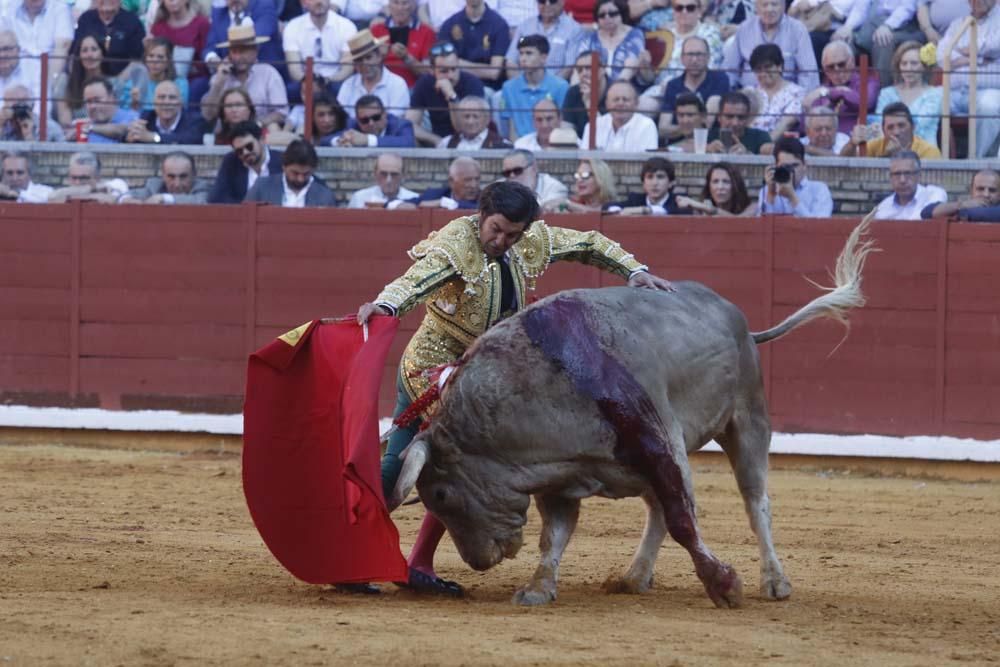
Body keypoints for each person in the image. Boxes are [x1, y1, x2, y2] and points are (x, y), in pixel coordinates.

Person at [355, 179, 675, 596]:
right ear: (481, 215)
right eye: (496, 229)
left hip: (484, 375)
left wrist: (636, 271)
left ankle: (417, 561)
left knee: (454, 467)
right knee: (407, 464)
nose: (502, 241)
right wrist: (386, 305)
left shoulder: (527, 240)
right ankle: (354, 554)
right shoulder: (456, 244)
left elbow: (589, 243)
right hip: (433, 369)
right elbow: (416, 280)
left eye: (513, 234)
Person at [936, 0, 1000, 159]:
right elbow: (942, 56)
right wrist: (978, 59)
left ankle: (976, 162)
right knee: (926, 99)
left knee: (989, 106)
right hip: (954, 92)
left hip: (987, 91)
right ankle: (929, 158)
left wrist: (961, 52)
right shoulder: (957, 24)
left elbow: (995, 45)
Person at [200, 25, 289, 128]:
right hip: (226, 134)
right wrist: (218, 84)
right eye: (234, 52)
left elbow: (281, 113)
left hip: (260, 132)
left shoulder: (268, 73)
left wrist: (256, 125)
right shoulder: (220, 77)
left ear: (255, 51)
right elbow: (208, 116)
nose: (238, 57)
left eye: (243, 51)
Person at [721, 0, 820, 91]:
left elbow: (809, 72)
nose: (769, 9)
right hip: (750, 95)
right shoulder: (744, 28)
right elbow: (729, 69)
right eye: (764, 5)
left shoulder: (797, 29)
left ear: (783, 6)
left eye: (774, 4)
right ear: (756, 7)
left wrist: (802, 98)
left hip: (785, 95)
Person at [406, 42, 485, 147]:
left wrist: (451, 96)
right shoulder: (425, 83)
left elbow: (463, 130)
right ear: (431, 70)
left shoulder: (472, 84)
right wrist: (435, 139)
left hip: (471, 142)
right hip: (438, 140)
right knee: (409, 140)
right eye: (444, 71)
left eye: (454, 69)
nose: (451, 75)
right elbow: (409, 125)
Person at [657, 36, 730, 141]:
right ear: (682, 58)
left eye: (699, 54)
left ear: (708, 57)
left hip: (710, 144)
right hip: (678, 146)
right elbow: (663, 128)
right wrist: (692, 127)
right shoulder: (673, 85)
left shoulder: (719, 79)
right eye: (690, 54)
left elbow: (707, 122)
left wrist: (682, 128)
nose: (694, 60)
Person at [871, 40, 942, 147]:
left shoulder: (935, 93)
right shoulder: (886, 93)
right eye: (904, 64)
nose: (909, 68)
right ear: (899, 67)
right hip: (890, 152)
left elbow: (920, 125)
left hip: (925, 153)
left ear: (924, 66)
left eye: (914, 63)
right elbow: (879, 124)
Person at [803, 39, 880, 136]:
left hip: (857, 144)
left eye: (841, 64)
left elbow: (866, 103)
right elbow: (806, 125)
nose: (837, 70)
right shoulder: (820, 91)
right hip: (824, 143)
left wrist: (836, 93)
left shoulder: (868, 81)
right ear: (824, 70)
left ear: (852, 61)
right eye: (831, 67)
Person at [499, 34, 569, 139]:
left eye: (529, 53)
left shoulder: (561, 87)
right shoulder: (508, 88)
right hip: (520, 146)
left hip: (551, 146)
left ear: (543, 58)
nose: (523, 58)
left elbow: (562, 124)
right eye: (521, 54)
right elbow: (511, 128)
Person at [840, 0, 922, 88]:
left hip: (905, 26)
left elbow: (907, 8)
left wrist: (888, 25)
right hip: (872, 27)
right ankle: (842, 92)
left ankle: (883, 94)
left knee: (883, 40)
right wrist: (848, 27)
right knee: (845, 40)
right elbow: (860, 9)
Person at [283, 0, 357, 94]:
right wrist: (310, 81)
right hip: (305, 80)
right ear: (303, 3)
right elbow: (294, 69)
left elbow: (347, 69)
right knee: (290, 90)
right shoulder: (292, 27)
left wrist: (326, 80)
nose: (319, 2)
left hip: (335, 81)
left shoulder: (347, 26)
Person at [336, 29, 410, 121]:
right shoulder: (348, 85)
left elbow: (394, 121)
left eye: (368, 57)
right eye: (359, 60)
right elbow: (341, 118)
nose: (364, 64)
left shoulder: (397, 84)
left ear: (379, 56)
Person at [437, 0, 510, 89]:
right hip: (456, 86)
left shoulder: (499, 25)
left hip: (487, 88)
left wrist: (459, 64)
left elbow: (494, 72)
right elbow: (444, 66)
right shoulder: (449, 25)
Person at [208, 120, 284, 204]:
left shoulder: (281, 160)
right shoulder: (231, 161)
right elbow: (216, 197)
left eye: (249, 146)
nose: (245, 152)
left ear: (262, 140)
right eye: (239, 151)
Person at [244, 139, 337, 207]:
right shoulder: (262, 186)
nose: (300, 179)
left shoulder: (324, 195)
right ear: (284, 167)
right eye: (295, 173)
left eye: (306, 174)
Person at [505, 0, 584, 80]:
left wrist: (550, 87)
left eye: (552, 1)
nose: (547, 4)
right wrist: (520, 86)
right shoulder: (525, 26)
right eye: (542, 1)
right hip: (522, 84)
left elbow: (569, 67)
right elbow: (511, 62)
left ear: (563, 2)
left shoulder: (574, 29)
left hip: (555, 87)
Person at [757, 136, 834, 217]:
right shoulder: (767, 190)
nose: (791, 172)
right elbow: (763, 226)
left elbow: (821, 226)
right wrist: (771, 196)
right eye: (785, 167)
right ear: (776, 166)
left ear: (804, 165)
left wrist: (792, 197)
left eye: (795, 166)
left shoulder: (819, 190)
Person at [2, 0, 74, 83]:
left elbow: (62, 48)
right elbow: (4, 48)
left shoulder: (60, 8)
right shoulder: (9, 9)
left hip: (51, 75)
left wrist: (48, 86)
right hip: (15, 78)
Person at [841, 101, 941, 158]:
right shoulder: (875, 145)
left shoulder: (929, 151)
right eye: (890, 127)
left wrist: (899, 155)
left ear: (913, 127)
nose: (896, 132)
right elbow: (843, 163)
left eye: (901, 126)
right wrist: (852, 144)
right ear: (883, 131)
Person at [370, 0, 436, 87]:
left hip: (412, 88)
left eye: (405, 3)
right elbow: (365, 67)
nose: (399, 8)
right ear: (389, 5)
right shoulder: (376, 30)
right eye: (396, 2)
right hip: (380, 86)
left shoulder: (427, 32)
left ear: (413, 5)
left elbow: (428, 74)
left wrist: (406, 57)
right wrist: (380, 56)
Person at [204, 0, 284, 70]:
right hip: (231, 74)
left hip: (264, 70)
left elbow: (254, 39)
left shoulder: (264, 6)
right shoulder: (219, 14)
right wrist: (213, 59)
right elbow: (210, 47)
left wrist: (230, 58)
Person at [747, 43, 804, 140]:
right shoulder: (750, 92)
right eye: (758, 69)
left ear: (779, 66)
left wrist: (764, 144)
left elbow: (787, 123)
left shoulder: (796, 92)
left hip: (777, 145)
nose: (763, 73)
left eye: (767, 67)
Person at [578, 0, 645, 82]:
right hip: (594, 87)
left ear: (622, 13)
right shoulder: (590, 39)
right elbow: (579, 67)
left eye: (612, 14)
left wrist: (612, 90)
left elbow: (631, 68)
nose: (607, 18)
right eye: (602, 15)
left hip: (624, 87)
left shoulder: (635, 35)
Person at [74, 0, 145, 77]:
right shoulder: (85, 19)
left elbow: (136, 59)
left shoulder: (133, 21)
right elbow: (76, 53)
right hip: (89, 78)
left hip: (123, 80)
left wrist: (118, 82)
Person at [582, 80, 658, 151]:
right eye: (616, 99)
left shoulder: (647, 126)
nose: (620, 104)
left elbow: (647, 162)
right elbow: (585, 161)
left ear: (636, 103)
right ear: (607, 104)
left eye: (625, 99)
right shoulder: (593, 125)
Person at [118, 38, 190, 112]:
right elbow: (123, 113)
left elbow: (179, 112)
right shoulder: (134, 83)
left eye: (160, 57)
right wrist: (134, 104)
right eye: (151, 56)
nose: (154, 61)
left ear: (169, 61)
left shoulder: (180, 84)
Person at [125, 80, 205, 145]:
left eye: (172, 97)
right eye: (161, 97)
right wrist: (130, 138)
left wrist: (154, 137)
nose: (166, 102)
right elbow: (129, 138)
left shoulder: (195, 120)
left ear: (180, 102)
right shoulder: (146, 117)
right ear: (154, 102)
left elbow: (189, 140)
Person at [871, 151, 946, 220]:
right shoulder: (883, 207)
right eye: (897, 174)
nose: (902, 180)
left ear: (919, 175)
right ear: (890, 177)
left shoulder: (934, 194)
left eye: (908, 173)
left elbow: (925, 214)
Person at [149, 0, 211, 81]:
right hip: (165, 81)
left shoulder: (202, 24)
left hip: (195, 80)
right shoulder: (158, 28)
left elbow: (207, 56)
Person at [120, 151, 211, 204]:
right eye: (171, 177)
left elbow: (200, 200)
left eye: (183, 177)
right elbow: (130, 195)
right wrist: (126, 199)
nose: (177, 184)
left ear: (194, 175)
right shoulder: (155, 185)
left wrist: (164, 198)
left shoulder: (202, 187)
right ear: (163, 176)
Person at [613, 156, 692, 215]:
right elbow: (607, 207)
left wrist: (643, 210)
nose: (655, 183)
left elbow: (673, 210)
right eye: (650, 177)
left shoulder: (679, 201)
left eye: (660, 177)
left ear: (671, 183)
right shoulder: (635, 200)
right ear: (643, 183)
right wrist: (617, 210)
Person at [331, 94, 416, 147]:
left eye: (376, 117)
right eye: (364, 120)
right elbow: (325, 139)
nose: (371, 123)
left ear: (384, 114)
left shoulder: (401, 124)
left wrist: (367, 140)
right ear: (357, 119)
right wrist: (340, 141)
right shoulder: (351, 124)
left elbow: (407, 142)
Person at [706, 91, 774, 155]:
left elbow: (772, 153)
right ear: (719, 117)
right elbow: (695, 145)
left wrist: (747, 154)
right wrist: (707, 149)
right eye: (729, 116)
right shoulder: (707, 136)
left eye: (741, 117)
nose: (735, 123)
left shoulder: (760, 136)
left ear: (747, 118)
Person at [47, 151, 129, 203]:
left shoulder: (116, 184)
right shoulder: (65, 191)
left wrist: (69, 198)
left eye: (84, 178)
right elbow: (52, 198)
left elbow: (111, 200)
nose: (77, 182)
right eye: (74, 178)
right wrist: (92, 189)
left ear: (97, 177)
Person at [77, 77, 141, 143]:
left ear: (112, 97)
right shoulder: (83, 125)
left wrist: (90, 127)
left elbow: (122, 130)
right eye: (89, 101)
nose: (93, 106)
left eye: (97, 100)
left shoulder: (131, 116)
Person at [500, 148, 568, 209]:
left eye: (517, 170)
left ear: (534, 169)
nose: (512, 176)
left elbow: (549, 209)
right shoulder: (498, 188)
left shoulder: (553, 187)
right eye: (507, 173)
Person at [544, 157, 618, 212]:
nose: (579, 180)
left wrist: (567, 204)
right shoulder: (574, 203)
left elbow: (600, 212)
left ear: (600, 178)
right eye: (578, 176)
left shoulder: (613, 205)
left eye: (585, 175)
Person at [562, 49, 609, 137]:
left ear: (602, 69)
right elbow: (566, 133)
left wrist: (589, 104)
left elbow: (605, 135)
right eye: (580, 70)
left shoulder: (614, 92)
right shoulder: (573, 93)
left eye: (588, 68)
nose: (584, 73)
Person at [346, 152, 419, 208]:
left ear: (403, 175)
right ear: (375, 174)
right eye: (383, 174)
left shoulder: (414, 199)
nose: (388, 180)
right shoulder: (359, 198)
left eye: (394, 174)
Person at [682, 161, 757, 215]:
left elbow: (739, 223)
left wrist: (711, 210)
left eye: (726, 182)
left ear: (736, 185)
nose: (720, 187)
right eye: (715, 181)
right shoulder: (700, 211)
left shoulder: (752, 208)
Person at [438, 96, 513, 149]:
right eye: (466, 116)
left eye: (476, 116)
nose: (470, 122)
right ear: (459, 118)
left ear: (487, 118)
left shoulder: (503, 145)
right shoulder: (446, 143)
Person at [921, 169, 1000, 220]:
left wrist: (961, 213)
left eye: (992, 190)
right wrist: (962, 205)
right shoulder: (964, 206)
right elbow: (926, 212)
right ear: (971, 191)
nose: (986, 194)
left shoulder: (962, 211)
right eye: (980, 189)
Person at [407, 156, 482, 209]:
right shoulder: (435, 194)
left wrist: (446, 203)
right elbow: (397, 203)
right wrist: (417, 206)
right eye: (467, 180)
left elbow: (480, 210)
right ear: (451, 182)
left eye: (477, 179)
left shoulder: (486, 199)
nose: (474, 185)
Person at [0, 31, 42, 116]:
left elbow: (42, 108)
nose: (2, 54)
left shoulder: (34, 68)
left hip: (27, 123)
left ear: (18, 50)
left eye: (7, 49)